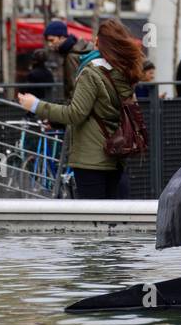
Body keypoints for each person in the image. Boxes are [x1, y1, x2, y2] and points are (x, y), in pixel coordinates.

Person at [17, 18, 143, 200]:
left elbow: (75, 113)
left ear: (99, 42)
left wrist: (36, 105)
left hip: (91, 159)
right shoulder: (124, 72)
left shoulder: (90, 72)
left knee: (93, 217)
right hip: (116, 156)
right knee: (113, 219)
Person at [44, 19, 92, 101]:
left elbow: (75, 89)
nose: (49, 44)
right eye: (47, 41)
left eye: (52, 40)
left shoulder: (71, 56)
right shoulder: (79, 50)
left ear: (62, 37)